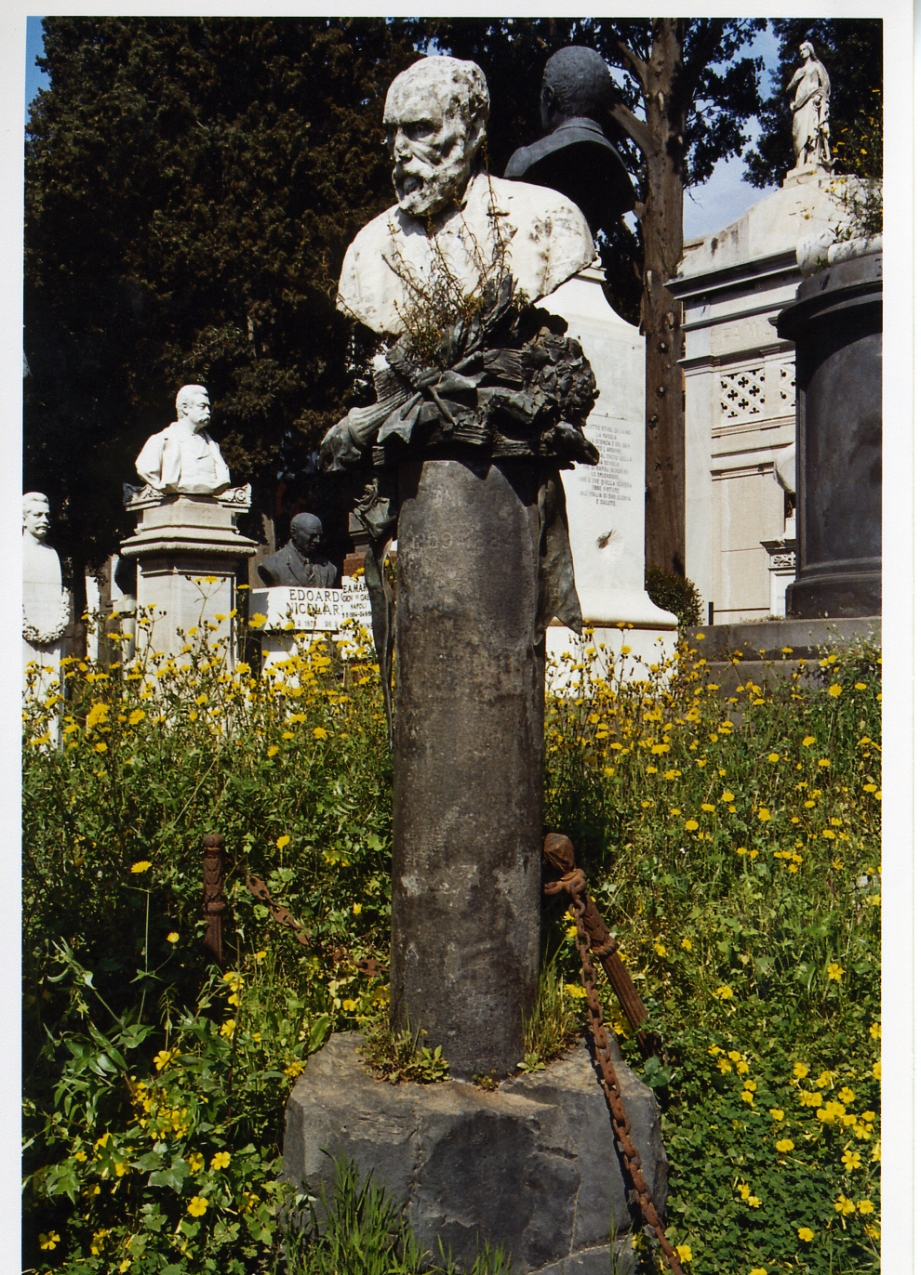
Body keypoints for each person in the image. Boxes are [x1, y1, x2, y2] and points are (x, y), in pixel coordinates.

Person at [336, 55, 595, 336]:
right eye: (391, 132)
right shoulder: (366, 251)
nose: (400, 149)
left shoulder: (551, 221)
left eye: (420, 129)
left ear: (472, 132)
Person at [135, 385, 231, 495]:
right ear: (185, 408)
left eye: (209, 407)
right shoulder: (161, 440)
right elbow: (145, 469)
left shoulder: (213, 446)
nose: (208, 411)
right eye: (202, 406)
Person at [257, 513, 338, 587]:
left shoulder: (329, 569)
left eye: (319, 536)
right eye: (312, 535)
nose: (317, 540)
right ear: (294, 533)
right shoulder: (272, 565)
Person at [788, 41, 831, 171]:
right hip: (799, 105)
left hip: (812, 101)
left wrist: (820, 96)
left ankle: (810, 160)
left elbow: (825, 84)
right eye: (800, 50)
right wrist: (791, 102)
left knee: (811, 130)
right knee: (798, 132)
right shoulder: (799, 71)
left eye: (804, 49)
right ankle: (799, 162)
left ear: (810, 50)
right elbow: (789, 89)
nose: (802, 52)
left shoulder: (816, 66)